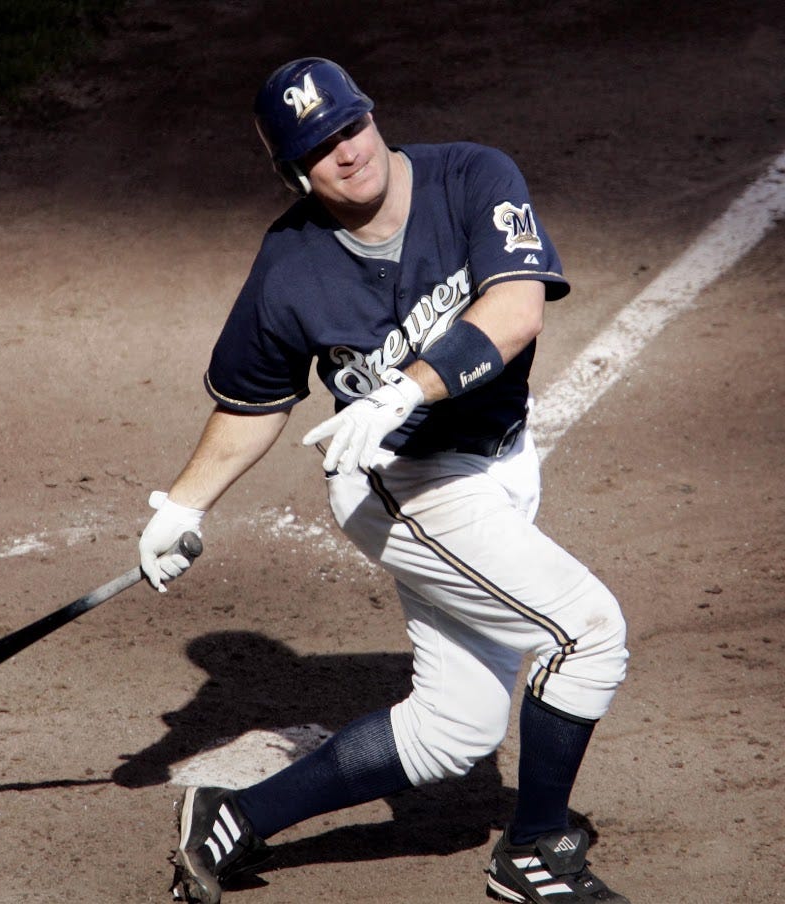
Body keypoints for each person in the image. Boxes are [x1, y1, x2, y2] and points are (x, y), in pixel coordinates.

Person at [137, 57, 631, 904]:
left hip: (499, 460)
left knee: (455, 729)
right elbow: (256, 402)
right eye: (318, 146)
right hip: (405, 484)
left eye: (348, 126)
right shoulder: (289, 266)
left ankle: (233, 819)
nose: (345, 151)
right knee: (586, 634)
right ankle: (537, 851)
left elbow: (515, 309)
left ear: (372, 117)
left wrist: (408, 384)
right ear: (294, 171)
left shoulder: (473, 176)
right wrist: (183, 503)